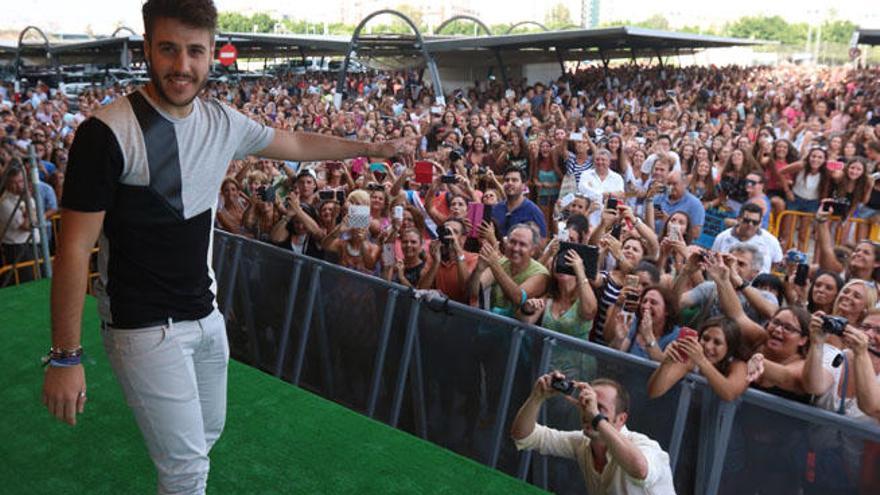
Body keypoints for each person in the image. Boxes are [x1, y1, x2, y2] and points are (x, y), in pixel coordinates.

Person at [42, 2, 414, 494]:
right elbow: (73, 250)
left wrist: (371, 149)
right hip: (144, 328)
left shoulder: (222, 121)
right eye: (169, 49)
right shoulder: (106, 132)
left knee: (205, 438)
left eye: (195, 51)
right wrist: (66, 357)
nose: (182, 65)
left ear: (211, 52)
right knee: (188, 472)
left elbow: (296, 143)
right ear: (148, 48)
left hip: (206, 317)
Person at [511, 373, 676, 494]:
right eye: (588, 403)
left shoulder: (645, 445)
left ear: (621, 419)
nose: (588, 411)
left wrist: (596, 417)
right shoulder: (582, 443)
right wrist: (537, 397)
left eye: (599, 407)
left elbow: (640, 470)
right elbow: (524, 436)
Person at [647, 316, 749, 401]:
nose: (708, 346)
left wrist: (702, 361)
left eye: (717, 342)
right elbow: (654, 392)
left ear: (730, 348)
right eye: (705, 338)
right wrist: (666, 363)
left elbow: (730, 394)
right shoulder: (690, 360)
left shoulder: (739, 365)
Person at [711, 203, 783, 274]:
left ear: (760, 222)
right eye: (746, 221)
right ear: (739, 219)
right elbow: (713, 260)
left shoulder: (771, 240)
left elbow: (776, 263)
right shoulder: (723, 237)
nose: (750, 225)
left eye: (755, 222)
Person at [490, 166, 547, 238]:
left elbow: (542, 241)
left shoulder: (533, 211)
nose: (510, 183)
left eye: (514, 180)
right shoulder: (496, 209)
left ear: (523, 185)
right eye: (507, 180)